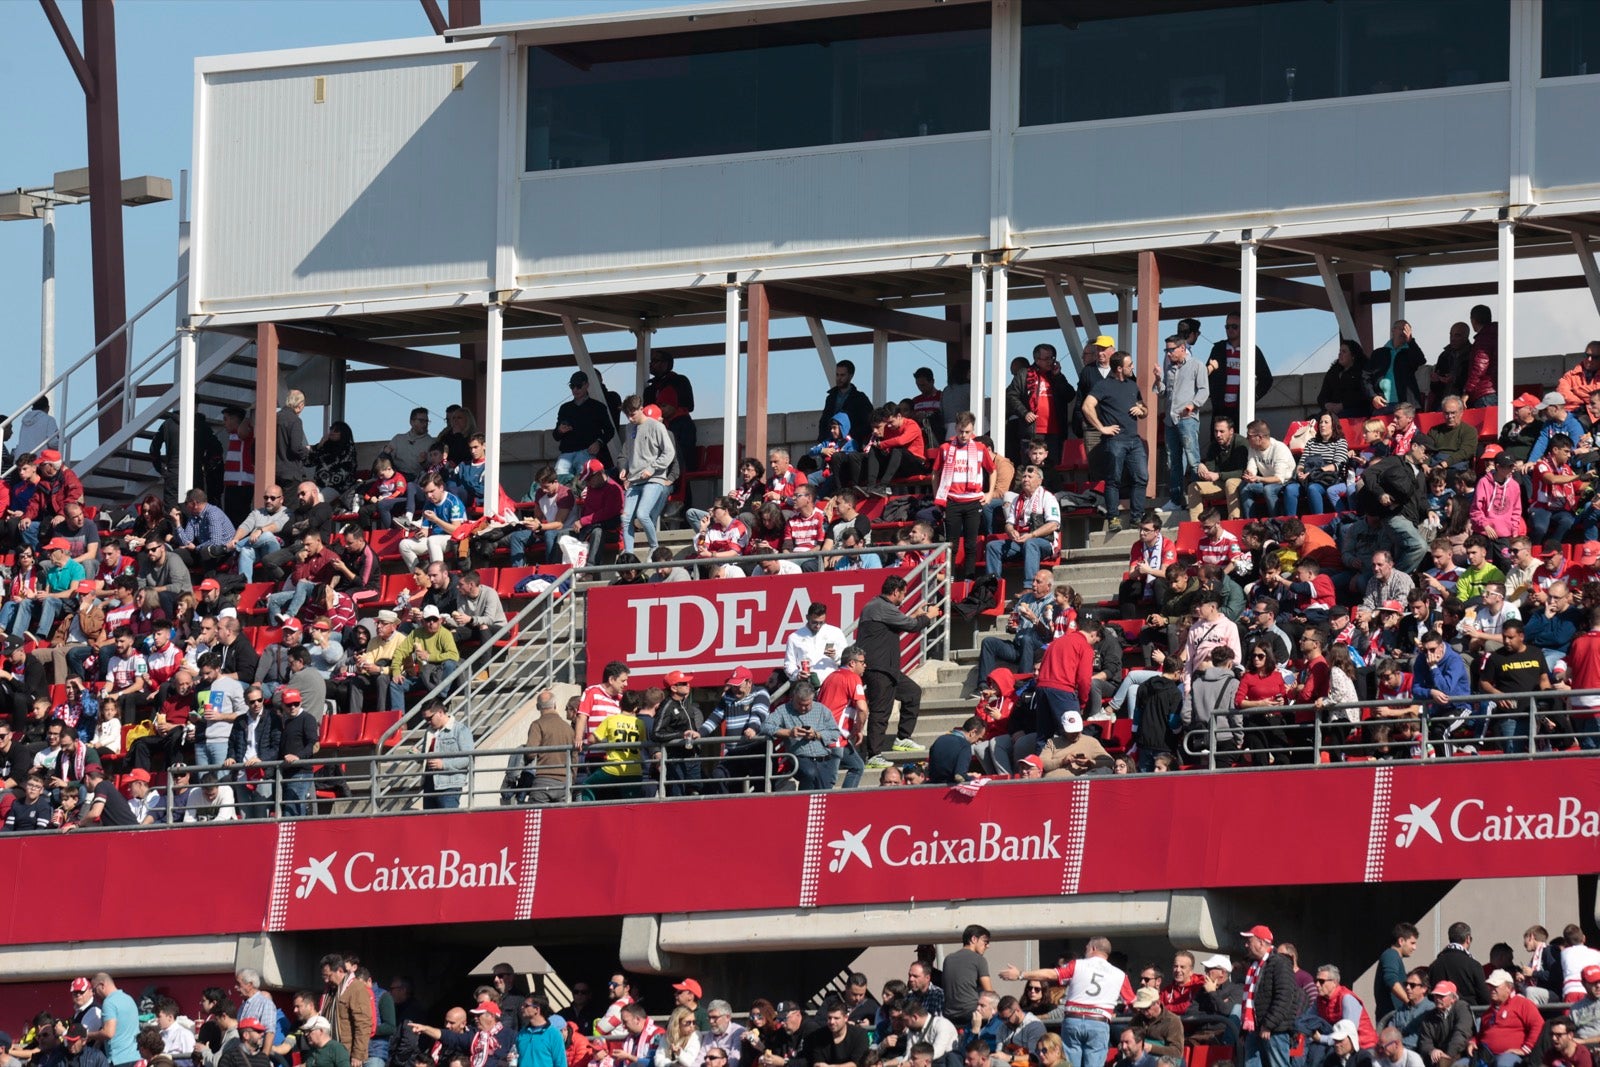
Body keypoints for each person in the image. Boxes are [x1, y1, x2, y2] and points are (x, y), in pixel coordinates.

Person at [1000, 938, 1131, 1067]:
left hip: (1073, 1020)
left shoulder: (1077, 964)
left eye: (1086, 948)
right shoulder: (1120, 975)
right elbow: (1132, 1002)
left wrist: (1021, 974)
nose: (1085, 950)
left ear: (1093, 948)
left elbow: (1050, 974)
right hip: (1099, 1022)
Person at [857, 575, 940, 767]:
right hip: (879, 669)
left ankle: (902, 739)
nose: (903, 598)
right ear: (896, 592)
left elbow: (896, 626)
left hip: (888, 669)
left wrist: (916, 615)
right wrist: (928, 616)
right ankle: (873, 755)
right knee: (880, 711)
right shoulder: (882, 607)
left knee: (912, 693)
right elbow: (911, 626)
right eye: (903, 594)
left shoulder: (878, 607)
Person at [1080, 351, 1149, 533]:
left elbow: (1145, 409)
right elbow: (1086, 406)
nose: (1132, 367)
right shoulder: (1103, 386)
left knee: (1141, 477)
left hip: (1134, 440)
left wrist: (1141, 410)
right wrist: (1102, 428)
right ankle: (1113, 518)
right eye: (1129, 365)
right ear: (1119, 368)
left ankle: (1137, 517)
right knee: (1113, 480)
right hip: (1115, 440)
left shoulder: (1132, 385)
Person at [931, 412, 995, 581]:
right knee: (952, 543)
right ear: (956, 429)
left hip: (973, 501)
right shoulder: (945, 448)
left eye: (967, 432)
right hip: (952, 500)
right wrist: (938, 496)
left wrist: (989, 494)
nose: (964, 435)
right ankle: (950, 577)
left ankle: (969, 576)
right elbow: (935, 474)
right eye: (961, 431)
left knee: (971, 543)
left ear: (972, 430)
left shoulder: (980, 448)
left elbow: (992, 470)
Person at [1155, 333, 1209, 513]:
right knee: (1173, 461)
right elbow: (1163, 392)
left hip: (1187, 418)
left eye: (1171, 350)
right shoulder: (1168, 367)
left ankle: (1196, 499)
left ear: (1182, 348)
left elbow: (1203, 391)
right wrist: (1157, 379)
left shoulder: (1197, 365)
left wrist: (1192, 405)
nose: (1168, 354)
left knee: (1193, 459)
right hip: (1171, 420)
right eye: (1166, 350)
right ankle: (1175, 500)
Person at [618, 398, 678, 555]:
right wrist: (625, 468)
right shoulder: (629, 427)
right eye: (627, 416)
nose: (631, 419)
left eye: (632, 414)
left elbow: (669, 453)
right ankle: (629, 553)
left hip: (654, 478)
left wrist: (652, 469)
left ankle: (654, 547)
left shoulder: (656, 426)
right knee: (625, 519)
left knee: (643, 514)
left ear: (641, 409)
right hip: (635, 479)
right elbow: (630, 453)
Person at [985, 465, 1060, 583]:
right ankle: (992, 586)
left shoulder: (1047, 497)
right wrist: (1011, 531)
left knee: (1030, 543)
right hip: (1021, 542)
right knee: (992, 546)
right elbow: (1008, 523)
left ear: (1040, 480)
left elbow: (1053, 525)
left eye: (1030, 476)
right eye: (1024, 476)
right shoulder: (1017, 499)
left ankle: (1030, 586)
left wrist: (1032, 535)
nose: (1025, 479)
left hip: (1044, 542)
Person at [1241, 925, 1301, 1067]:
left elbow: (1284, 997)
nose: (1246, 944)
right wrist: (1243, 1031)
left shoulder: (1280, 962)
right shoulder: (1254, 966)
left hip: (1275, 1031)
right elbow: (1251, 1000)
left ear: (1261, 942)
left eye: (1249, 940)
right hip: (1254, 1030)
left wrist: (1268, 1025)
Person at [553, 372, 616, 480]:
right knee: (558, 482)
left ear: (586, 385)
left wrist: (599, 443)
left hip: (586, 452)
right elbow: (556, 436)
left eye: (578, 386)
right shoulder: (565, 408)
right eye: (572, 386)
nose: (575, 389)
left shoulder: (598, 407)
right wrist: (560, 431)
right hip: (566, 452)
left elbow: (610, 430)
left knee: (583, 483)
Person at [1190, 416, 1249, 519]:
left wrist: (1219, 475)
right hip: (1221, 482)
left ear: (1231, 431)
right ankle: (1196, 525)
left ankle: (1234, 521)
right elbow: (1210, 470)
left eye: (1222, 431)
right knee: (1193, 487)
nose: (1218, 435)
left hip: (1240, 482)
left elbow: (1243, 472)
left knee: (1230, 483)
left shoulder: (1240, 443)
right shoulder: (1214, 445)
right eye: (1216, 431)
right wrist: (1202, 467)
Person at [1241, 422, 1295, 517]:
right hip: (1266, 481)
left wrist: (1257, 478)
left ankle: (1276, 520)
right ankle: (1251, 522)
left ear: (1260, 437)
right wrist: (1249, 474)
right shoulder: (1253, 448)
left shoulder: (1279, 448)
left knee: (1268, 490)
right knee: (1244, 487)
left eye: (1249, 436)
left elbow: (1279, 478)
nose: (1247, 438)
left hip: (1286, 482)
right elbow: (1251, 468)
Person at [818, 361, 876, 446]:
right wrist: (823, 439)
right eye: (837, 375)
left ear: (851, 375)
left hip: (852, 445)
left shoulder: (860, 398)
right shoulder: (831, 398)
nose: (839, 378)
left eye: (842, 375)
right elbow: (824, 421)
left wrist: (851, 436)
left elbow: (868, 423)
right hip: (830, 443)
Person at [1416, 983, 1472, 1067]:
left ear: (1453, 999)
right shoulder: (1429, 1016)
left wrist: (1448, 1054)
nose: (1438, 999)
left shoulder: (1461, 1007)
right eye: (1436, 995)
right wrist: (1432, 1051)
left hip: (1462, 1053)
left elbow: (1461, 1033)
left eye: (1442, 996)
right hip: (1439, 1057)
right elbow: (1425, 1041)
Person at [1463, 304, 1498, 410]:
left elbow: (1479, 367)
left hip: (1485, 392)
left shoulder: (1483, 339)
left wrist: (1467, 391)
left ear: (1473, 320)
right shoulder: (1496, 335)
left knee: (1486, 425)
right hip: (1495, 388)